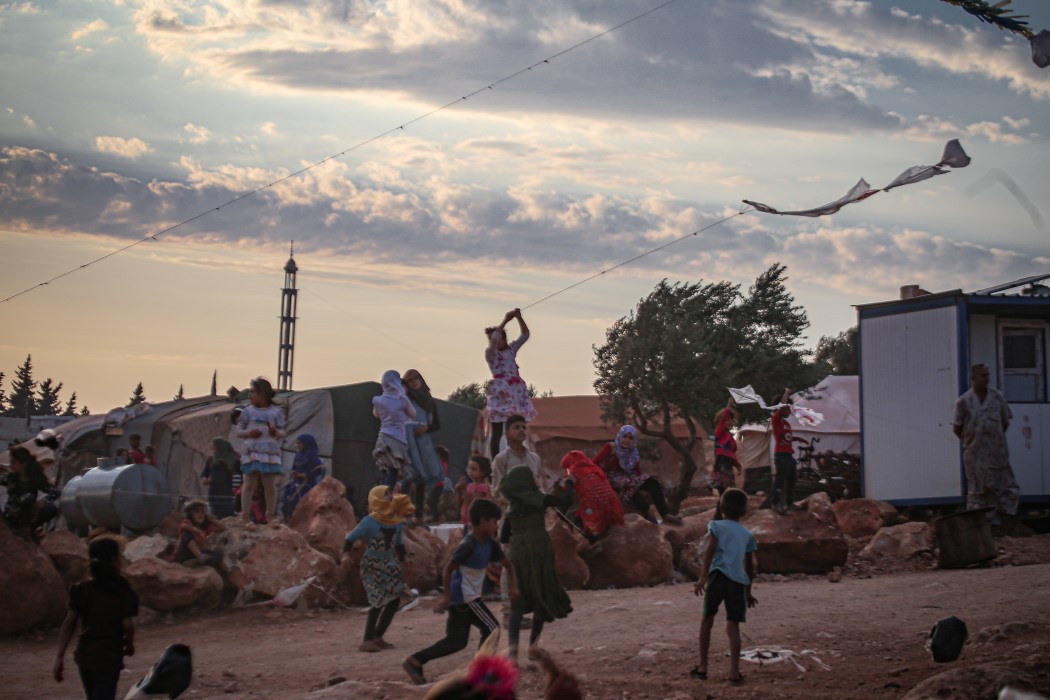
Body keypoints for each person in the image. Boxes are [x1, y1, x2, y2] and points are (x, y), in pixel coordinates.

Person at [402, 498, 517, 685]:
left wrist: (513, 587)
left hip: (464, 596)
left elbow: (507, 564)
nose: (496, 525)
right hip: (465, 596)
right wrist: (447, 597)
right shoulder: (469, 544)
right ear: (482, 521)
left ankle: (415, 660)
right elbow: (449, 568)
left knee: (456, 641)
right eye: (494, 521)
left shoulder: (490, 544)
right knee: (492, 628)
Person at [499, 465, 574, 665]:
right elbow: (567, 501)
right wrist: (570, 483)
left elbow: (504, 536)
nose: (535, 478)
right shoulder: (540, 499)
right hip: (540, 551)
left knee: (517, 604)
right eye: (531, 476)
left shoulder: (511, 508)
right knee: (541, 594)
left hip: (518, 554)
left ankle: (513, 654)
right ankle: (533, 646)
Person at [54, 537, 138, 700]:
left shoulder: (81, 589)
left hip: (85, 656)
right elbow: (127, 624)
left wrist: (59, 657)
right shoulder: (122, 590)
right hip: (109, 656)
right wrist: (130, 643)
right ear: (114, 560)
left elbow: (68, 624)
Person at [692, 488, 757, 685]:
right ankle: (734, 673)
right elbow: (750, 566)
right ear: (744, 512)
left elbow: (711, 549)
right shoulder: (748, 535)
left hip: (718, 577)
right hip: (738, 582)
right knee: (733, 625)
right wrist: (749, 591)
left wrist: (703, 577)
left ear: (721, 508)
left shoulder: (716, 526)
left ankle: (703, 667)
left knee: (707, 619)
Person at [342, 485, 415, 652]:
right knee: (378, 599)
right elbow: (350, 538)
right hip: (372, 564)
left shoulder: (395, 521)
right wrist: (345, 554)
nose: (390, 496)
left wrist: (405, 558)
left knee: (394, 599)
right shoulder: (369, 521)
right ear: (377, 499)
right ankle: (367, 639)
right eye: (386, 494)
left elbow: (399, 544)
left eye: (390, 493)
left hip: (390, 564)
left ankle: (377, 636)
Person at [952, 364, 1019, 528]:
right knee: (978, 489)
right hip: (975, 454)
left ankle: (1005, 521)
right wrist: (974, 441)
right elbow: (957, 428)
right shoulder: (963, 402)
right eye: (983, 375)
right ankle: (980, 525)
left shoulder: (997, 398)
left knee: (1004, 485)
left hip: (997, 453)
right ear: (973, 378)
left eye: (988, 375)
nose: (986, 379)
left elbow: (1004, 423)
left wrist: (992, 440)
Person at [594, 425, 682, 525]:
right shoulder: (610, 447)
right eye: (625, 436)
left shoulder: (633, 453)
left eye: (630, 438)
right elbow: (594, 463)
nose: (627, 440)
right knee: (629, 485)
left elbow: (637, 471)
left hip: (629, 477)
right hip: (612, 477)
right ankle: (647, 512)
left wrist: (640, 480)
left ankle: (665, 514)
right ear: (620, 436)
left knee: (652, 482)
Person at [485, 309, 537, 459]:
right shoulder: (491, 353)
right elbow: (494, 340)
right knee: (497, 427)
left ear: (504, 338)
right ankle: (495, 461)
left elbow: (525, 335)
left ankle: (514, 453)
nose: (492, 342)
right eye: (490, 340)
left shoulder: (511, 349)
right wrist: (505, 320)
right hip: (501, 391)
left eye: (495, 339)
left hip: (515, 390)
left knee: (514, 423)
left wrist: (519, 318)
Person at [234, 377, 285, 523]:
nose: (250, 395)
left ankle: (270, 515)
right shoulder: (248, 412)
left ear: (263, 394)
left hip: (268, 451)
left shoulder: (275, 412)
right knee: (249, 483)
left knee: (269, 485)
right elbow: (238, 431)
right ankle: (244, 514)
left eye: (253, 392)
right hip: (252, 450)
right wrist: (249, 433)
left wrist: (275, 432)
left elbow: (282, 431)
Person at [403, 369, 444, 526]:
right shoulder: (405, 399)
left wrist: (425, 428)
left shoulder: (428, 400)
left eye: (416, 378)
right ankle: (402, 514)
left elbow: (436, 424)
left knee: (420, 479)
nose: (414, 382)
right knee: (406, 478)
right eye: (410, 380)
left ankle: (418, 516)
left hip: (422, 443)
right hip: (407, 442)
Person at [560, 451, 623, 541]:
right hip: (611, 502)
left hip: (593, 504)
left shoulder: (573, 470)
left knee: (571, 515)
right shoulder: (594, 468)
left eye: (565, 467)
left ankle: (591, 537)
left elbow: (569, 490)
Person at [1, 446, 60, 537]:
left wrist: (44, 501)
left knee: (51, 509)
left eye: (13, 462)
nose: (11, 465)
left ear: (23, 464)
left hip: (28, 518)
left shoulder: (36, 479)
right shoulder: (10, 478)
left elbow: (55, 491)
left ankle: (30, 530)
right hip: (10, 518)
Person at [372, 370, 416, 490]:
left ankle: (382, 496)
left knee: (384, 469)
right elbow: (413, 414)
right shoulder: (402, 400)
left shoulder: (378, 400)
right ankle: (387, 496)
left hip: (382, 438)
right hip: (397, 440)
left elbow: (376, 414)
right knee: (393, 470)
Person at [770, 389, 808, 514]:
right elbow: (780, 409)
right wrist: (786, 394)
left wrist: (798, 439)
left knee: (792, 479)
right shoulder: (776, 419)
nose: (790, 410)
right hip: (781, 455)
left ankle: (790, 503)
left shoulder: (785, 423)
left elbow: (786, 437)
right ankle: (776, 504)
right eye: (788, 408)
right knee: (780, 480)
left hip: (788, 454)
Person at [279, 434, 325, 521]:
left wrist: (305, 475)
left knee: (296, 501)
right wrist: (293, 472)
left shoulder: (312, 456)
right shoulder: (298, 455)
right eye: (296, 443)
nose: (297, 445)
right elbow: (294, 468)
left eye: (299, 443)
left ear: (306, 443)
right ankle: (287, 519)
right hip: (296, 482)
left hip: (307, 484)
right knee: (285, 498)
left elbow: (320, 469)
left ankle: (296, 522)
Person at [710, 397, 742, 520]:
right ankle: (719, 518)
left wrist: (738, 466)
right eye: (727, 419)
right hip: (721, 466)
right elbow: (723, 418)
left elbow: (731, 454)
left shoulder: (730, 437)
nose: (729, 422)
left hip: (727, 467)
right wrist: (729, 405)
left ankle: (721, 517)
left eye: (731, 420)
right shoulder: (719, 432)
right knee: (724, 494)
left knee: (727, 494)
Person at [171, 501, 224, 567]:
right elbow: (183, 526)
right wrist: (197, 531)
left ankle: (198, 562)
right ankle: (199, 557)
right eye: (196, 512)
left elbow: (222, 527)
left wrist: (211, 519)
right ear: (191, 514)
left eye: (202, 512)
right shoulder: (188, 523)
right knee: (187, 534)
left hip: (195, 555)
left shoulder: (204, 528)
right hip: (184, 554)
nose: (200, 514)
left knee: (218, 553)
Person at [201, 437, 240, 519]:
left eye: (214, 446)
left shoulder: (232, 460)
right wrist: (204, 479)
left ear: (220, 447)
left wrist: (242, 486)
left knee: (226, 512)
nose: (212, 449)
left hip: (226, 490)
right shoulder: (211, 460)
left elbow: (243, 473)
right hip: (213, 490)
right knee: (214, 512)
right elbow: (205, 473)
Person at [456, 456, 493, 532]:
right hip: (467, 522)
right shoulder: (469, 486)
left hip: (478, 523)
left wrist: (463, 489)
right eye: (469, 468)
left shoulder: (483, 487)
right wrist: (458, 491)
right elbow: (460, 504)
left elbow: (473, 503)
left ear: (483, 472)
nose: (470, 471)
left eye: (474, 469)